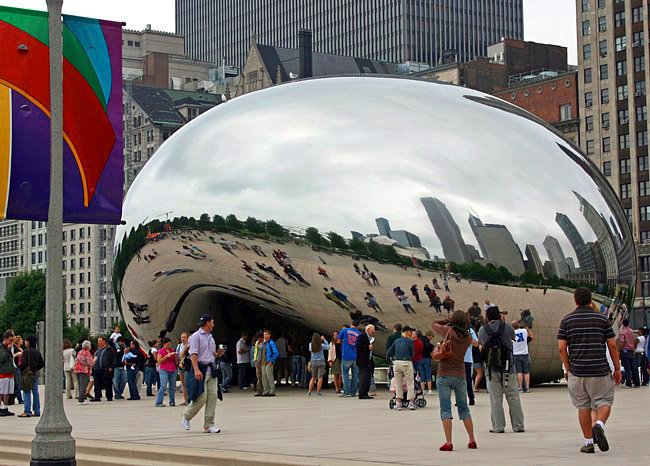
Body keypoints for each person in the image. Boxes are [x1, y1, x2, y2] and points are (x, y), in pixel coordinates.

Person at [558, 288, 621, 454]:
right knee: (605, 401)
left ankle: (588, 443)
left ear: (575, 300)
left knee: (583, 406)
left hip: (578, 372)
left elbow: (561, 348)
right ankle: (599, 424)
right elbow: (613, 345)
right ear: (590, 299)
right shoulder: (602, 319)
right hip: (600, 370)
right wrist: (616, 367)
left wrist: (568, 367)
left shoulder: (566, 320)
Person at [431, 312, 477, 451]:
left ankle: (449, 442)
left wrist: (446, 320)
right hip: (460, 374)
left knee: (445, 408)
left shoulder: (448, 330)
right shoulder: (468, 337)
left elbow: (434, 324)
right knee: (464, 408)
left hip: (444, 374)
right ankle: (472, 440)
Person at [478, 306, 525, 433]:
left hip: (491, 369)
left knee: (495, 399)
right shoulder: (508, 327)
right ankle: (518, 425)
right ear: (499, 316)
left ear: (487, 318)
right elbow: (513, 338)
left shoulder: (483, 330)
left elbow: (481, 345)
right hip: (508, 367)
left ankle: (498, 427)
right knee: (513, 396)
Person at [182, 314, 225, 433]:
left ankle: (208, 425)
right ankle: (186, 416)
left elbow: (212, 354)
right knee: (201, 397)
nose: (213, 325)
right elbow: (193, 354)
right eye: (212, 322)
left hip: (211, 369)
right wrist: (196, 369)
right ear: (207, 323)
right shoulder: (195, 337)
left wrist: (218, 354)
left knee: (213, 397)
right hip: (201, 369)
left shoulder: (210, 337)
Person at [387, 326, 416, 410]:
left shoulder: (396, 341)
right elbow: (412, 353)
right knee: (410, 383)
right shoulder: (410, 342)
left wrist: (390, 361)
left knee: (398, 383)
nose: (411, 333)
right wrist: (409, 359)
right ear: (406, 332)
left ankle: (398, 403)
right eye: (410, 332)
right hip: (406, 362)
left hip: (397, 363)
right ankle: (411, 403)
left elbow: (389, 352)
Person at [19, 335, 44, 417]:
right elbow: (42, 363)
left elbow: (23, 364)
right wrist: (35, 368)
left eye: (26, 341)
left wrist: (21, 369)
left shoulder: (26, 351)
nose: (25, 342)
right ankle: (37, 411)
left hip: (27, 374)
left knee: (26, 391)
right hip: (34, 373)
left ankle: (27, 411)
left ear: (28, 342)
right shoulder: (37, 352)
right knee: (35, 392)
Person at [338, 321, 361, 397]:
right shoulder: (359, 333)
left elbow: (338, 340)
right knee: (355, 375)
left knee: (345, 374)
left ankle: (346, 392)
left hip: (346, 356)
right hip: (356, 357)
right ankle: (353, 392)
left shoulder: (345, 330)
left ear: (351, 324)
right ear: (357, 326)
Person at [155, 337, 178, 407]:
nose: (169, 345)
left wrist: (175, 356)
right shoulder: (161, 351)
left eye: (170, 344)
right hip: (164, 369)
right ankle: (159, 402)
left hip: (173, 369)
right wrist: (166, 356)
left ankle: (172, 401)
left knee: (172, 386)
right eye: (167, 344)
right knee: (163, 385)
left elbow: (176, 361)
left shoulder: (172, 350)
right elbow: (159, 361)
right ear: (164, 344)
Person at [91, 336, 115, 402]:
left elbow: (113, 359)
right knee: (97, 384)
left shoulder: (109, 349)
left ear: (104, 341)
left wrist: (111, 367)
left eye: (100, 341)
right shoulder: (97, 350)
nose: (99, 342)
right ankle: (97, 397)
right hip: (96, 369)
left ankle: (109, 397)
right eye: (98, 341)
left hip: (105, 369)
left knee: (107, 384)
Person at [512, 321, 534, 393]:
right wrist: (527, 329)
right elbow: (531, 336)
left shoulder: (512, 334)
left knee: (519, 372)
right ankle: (527, 387)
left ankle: (520, 387)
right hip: (525, 353)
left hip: (516, 354)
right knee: (526, 372)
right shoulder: (524, 331)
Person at [618, 319, 640, 388]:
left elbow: (622, 342)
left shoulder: (622, 332)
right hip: (631, 351)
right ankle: (637, 383)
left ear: (623, 324)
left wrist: (619, 349)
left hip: (625, 351)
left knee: (627, 368)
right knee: (634, 367)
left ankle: (628, 383)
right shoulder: (631, 331)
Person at [356, 324, 375, 399]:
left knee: (368, 377)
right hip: (363, 360)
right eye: (373, 330)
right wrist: (367, 347)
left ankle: (365, 392)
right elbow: (357, 346)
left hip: (368, 359)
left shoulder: (369, 337)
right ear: (368, 329)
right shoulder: (362, 336)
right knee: (364, 377)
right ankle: (362, 393)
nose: (374, 331)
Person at [0, 331, 16, 416]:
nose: (11, 342)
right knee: (2, 392)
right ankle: (1, 408)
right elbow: (3, 358)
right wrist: (8, 349)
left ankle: (5, 408)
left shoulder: (8, 347)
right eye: (10, 340)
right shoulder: (1, 348)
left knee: (7, 392)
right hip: (3, 374)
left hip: (10, 373)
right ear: (5, 339)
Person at [74, 340, 93, 404]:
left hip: (77, 370)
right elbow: (90, 363)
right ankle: (81, 400)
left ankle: (80, 398)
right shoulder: (87, 353)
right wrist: (95, 359)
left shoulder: (80, 352)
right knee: (83, 385)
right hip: (84, 371)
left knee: (80, 385)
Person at [463, 325, 479, 405]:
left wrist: (468, 339)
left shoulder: (470, 331)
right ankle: (460, 399)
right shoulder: (454, 330)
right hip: (456, 360)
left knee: (468, 380)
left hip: (467, 359)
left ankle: (471, 398)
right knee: (457, 380)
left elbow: (476, 344)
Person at [260, 329, 278, 396]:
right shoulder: (263, 343)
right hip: (263, 362)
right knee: (264, 377)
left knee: (269, 377)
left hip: (268, 362)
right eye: (264, 334)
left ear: (269, 335)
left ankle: (272, 391)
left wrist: (271, 360)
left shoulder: (271, 343)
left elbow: (276, 353)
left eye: (266, 334)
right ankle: (266, 390)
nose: (265, 336)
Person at [177, 332, 191, 405]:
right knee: (183, 384)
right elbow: (178, 356)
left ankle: (190, 399)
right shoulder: (179, 346)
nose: (183, 339)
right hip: (181, 366)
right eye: (182, 337)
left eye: (184, 337)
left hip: (188, 366)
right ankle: (185, 400)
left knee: (188, 383)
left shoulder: (190, 345)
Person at [252, 332, 264, 396]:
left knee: (264, 376)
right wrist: (255, 359)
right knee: (259, 377)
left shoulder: (265, 343)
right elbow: (255, 352)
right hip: (257, 361)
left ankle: (266, 390)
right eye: (258, 338)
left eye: (260, 338)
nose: (259, 339)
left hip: (264, 361)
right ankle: (259, 391)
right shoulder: (257, 343)